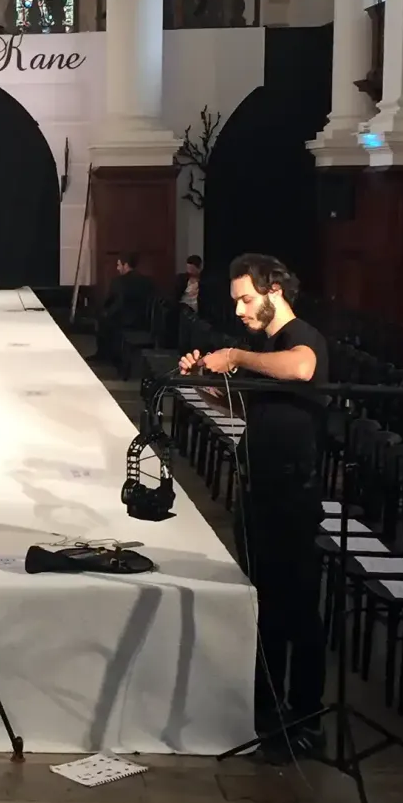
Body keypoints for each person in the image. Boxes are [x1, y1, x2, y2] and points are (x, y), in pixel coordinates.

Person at [179, 253, 328, 761]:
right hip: (260, 487)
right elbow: (253, 409)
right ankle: (267, 711)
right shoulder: (266, 347)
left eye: (246, 298)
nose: (240, 309)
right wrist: (205, 384)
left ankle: (306, 716)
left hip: (292, 493)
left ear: (275, 291)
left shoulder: (301, 338)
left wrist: (238, 358)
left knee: (298, 608)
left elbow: (302, 369)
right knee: (265, 604)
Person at [97, 254, 150, 372]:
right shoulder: (146, 281)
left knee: (104, 320)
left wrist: (106, 313)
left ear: (125, 265)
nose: (117, 268)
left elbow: (116, 303)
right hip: (143, 320)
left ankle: (106, 356)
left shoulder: (118, 282)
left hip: (123, 320)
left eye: (118, 265)